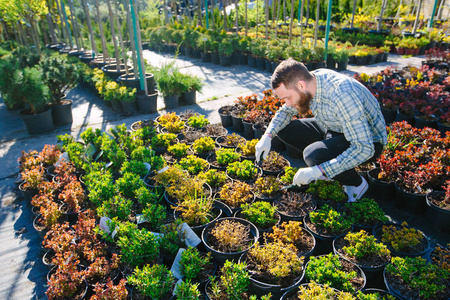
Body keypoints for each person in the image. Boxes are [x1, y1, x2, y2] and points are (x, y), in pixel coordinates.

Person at [255, 58, 387, 202]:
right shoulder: (310, 81)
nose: (287, 104)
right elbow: (284, 113)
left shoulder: (342, 94)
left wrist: (319, 170)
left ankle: (356, 183)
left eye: (288, 98)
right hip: (334, 125)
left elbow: (364, 148)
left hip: (369, 141)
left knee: (313, 155)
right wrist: (266, 137)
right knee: (283, 128)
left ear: (301, 85)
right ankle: (329, 168)